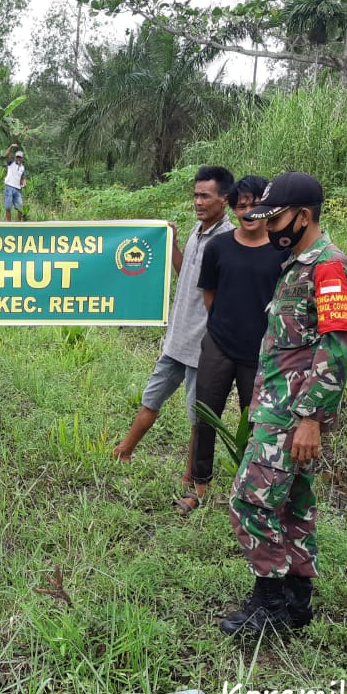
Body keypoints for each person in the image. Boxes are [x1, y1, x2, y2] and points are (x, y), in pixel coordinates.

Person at [219, 172, 347, 636]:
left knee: (249, 501)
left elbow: (336, 346)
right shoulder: (295, 265)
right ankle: (297, 604)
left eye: (277, 218)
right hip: (279, 409)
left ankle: (270, 603)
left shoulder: (328, 267)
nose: (271, 227)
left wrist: (310, 418)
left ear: (303, 216)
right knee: (293, 505)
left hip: (293, 414)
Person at [113, 166, 235, 472]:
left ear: (224, 200)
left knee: (198, 419)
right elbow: (189, 279)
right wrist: (173, 244)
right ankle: (123, 452)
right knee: (150, 400)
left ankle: (190, 478)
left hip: (202, 348)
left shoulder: (227, 242)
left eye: (205, 196)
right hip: (176, 340)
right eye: (195, 195)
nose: (198, 202)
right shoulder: (198, 230)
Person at [181, 175, 286, 514]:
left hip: (259, 353)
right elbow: (209, 294)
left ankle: (250, 489)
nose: (247, 211)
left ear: (266, 208)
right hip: (219, 345)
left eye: (254, 204)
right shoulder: (219, 247)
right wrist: (224, 325)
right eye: (240, 205)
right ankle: (199, 486)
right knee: (205, 415)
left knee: (253, 422)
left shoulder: (281, 251)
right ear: (233, 208)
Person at [3, 144, 28, 222]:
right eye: (17, 157)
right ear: (15, 157)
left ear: (22, 158)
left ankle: (18, 224)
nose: (18, 159)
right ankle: (9, 224)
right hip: (9, 187)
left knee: (20, 207)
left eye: (20, 157)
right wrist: (10, 147)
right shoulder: (11, 163)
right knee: (8, 207)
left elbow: (23, 178)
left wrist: (24, 183)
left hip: (18, 189)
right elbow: (6, 155)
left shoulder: (22, 168)